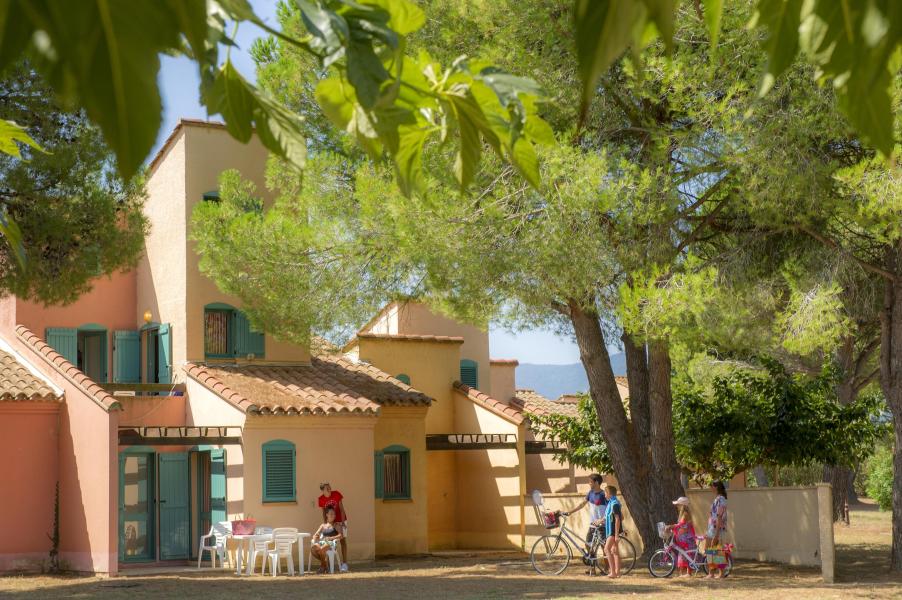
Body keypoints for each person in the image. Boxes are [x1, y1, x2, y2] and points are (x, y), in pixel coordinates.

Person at [566, 473, 607, 575]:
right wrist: (570, 512)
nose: (589, 484)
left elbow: (609, 510)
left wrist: (602, 519)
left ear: (596, 482)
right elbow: (582, 504)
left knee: (604, 547)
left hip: (602, 525)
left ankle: (607, 568)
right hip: (592, 525)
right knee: (588, 545)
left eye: (590, 482)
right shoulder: (590, 493)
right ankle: (592, 569)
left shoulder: (603, 495)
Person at [318, 482, 349, 572]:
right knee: (328, 540)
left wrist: (343, 523)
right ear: (323, 490)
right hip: (330, 521)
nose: (329, 489)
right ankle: (326, 564)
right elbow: (324, 513)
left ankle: (344, 564)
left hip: (341, 520)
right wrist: (325, 524)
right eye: (327, 488)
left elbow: (342, 509)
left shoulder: (336, 494)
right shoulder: (321, 499)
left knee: (342, 540)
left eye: (329, 487)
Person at [665, 497, 697, 577]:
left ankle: (688, 573)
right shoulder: (682, 514)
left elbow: (681, 524)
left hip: (687, 539)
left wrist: (671, 526)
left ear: (682, 505)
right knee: (682, 554)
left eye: (678, 505)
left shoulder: (685, 514)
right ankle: (683, 573)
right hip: (683, 537)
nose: (677, 506)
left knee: (687, 554)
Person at [705, 481, 728, 579]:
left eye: (711, 486)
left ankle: (714, 573)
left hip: (715, 529)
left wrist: (717, 534)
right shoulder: (718, 499)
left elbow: (719, 517)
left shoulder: (720, 499)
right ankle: (715, 573)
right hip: (713, 528)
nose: (710, 488)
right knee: (713, 550)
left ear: (716, 487)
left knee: (714, 550)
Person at [311, 506, 344, 574]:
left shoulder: (336, 525)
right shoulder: (323, 525)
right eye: (331, 514)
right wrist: (315, 537)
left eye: (334, 514)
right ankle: (325, 564)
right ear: (327, 515)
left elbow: (341, 535)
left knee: (321, 548)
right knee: (313, 548)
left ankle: (322, 567)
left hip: (331, 543)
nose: (333, 515)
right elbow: (315, 534)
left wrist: (331, 538)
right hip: (322, 542)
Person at [603, 484, 622, 579]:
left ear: (609, 494)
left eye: (605, 493)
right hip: (613, 530)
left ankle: (613, 572)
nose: (604, 495)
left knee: (606, 549)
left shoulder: (614, 504)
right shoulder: (612, 503)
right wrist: (599, 520)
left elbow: (618, 519)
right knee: (614, 551)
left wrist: (616, 535)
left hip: (613, 531)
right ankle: (617, 572)